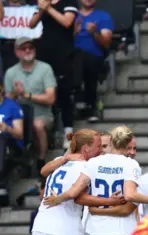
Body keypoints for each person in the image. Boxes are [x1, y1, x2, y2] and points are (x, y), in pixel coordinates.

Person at [4, 38, 56, 171]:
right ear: (17, 52)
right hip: (18, 115)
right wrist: (15, 93)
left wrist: (26, 95)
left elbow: (51, 98)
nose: (27, 50)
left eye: (30, 47)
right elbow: (6, 101)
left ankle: (41, 160)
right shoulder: (10, 72)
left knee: (37, 125)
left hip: (42, 114)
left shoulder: (45, 68)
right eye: (23, 48)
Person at [29, 0, 78, 137]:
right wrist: (41, 10)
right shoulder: (44, 3)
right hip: (44, 51)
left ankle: (68, 132)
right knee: (44, 89)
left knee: (64, 92)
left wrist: (49, 8)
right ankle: (48, 131)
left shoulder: (69, 2)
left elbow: (67, 22)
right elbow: (31, 24)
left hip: (63, 52)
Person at [73, 0, 113, 122]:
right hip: (72, 57)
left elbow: (106, 43)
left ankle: (89, 104)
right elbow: (62, 40)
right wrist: (75, 32)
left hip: (94, 57)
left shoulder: (103, 16)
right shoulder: (71, 16)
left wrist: (94, 32)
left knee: (87, 61)